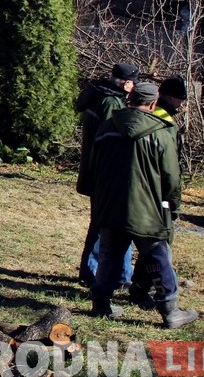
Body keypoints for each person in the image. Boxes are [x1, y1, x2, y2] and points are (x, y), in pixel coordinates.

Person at [89, 81, 200, 328]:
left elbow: (93, 166)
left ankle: (100, 304)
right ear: (152, 103)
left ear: (130, 100)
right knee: (158, 256)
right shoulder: (160, 133)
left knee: (110, 254)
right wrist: (172, 206)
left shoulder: (107, 128)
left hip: (110, 204)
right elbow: (171, 177)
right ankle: (170, 311)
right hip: (147, 209)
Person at [128, 75, 188, 308]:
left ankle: (137, 286)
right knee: (158, 240)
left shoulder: (149, 114)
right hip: (157, 192)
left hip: (144, 189)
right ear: (169, 97)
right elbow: (169, 165)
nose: (181, 104)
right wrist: (172, 200)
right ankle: (143, 288)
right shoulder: (164, 121)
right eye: (179, 99)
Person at [76, 62, 137, 287]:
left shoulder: (100, 95)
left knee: (104, 223)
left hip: (95, 171)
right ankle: (91, 272)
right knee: (103, 225)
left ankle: (118, 274)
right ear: (128, 82)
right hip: (103, 174)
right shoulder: (111, 103)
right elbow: (114, 139)